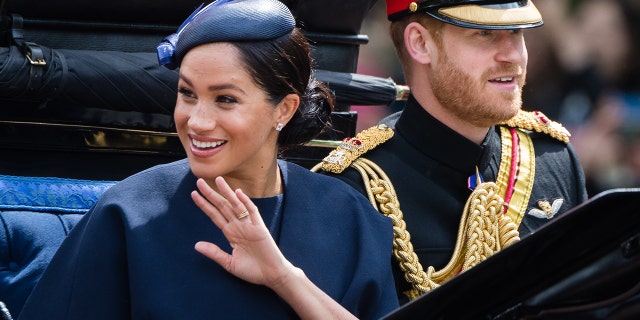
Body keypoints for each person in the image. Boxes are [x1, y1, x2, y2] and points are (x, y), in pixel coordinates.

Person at [17, 0, 399, 319]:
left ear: (283, 109)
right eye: (187, 94)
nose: (196, 121)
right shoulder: (129, 213)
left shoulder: (349, 218)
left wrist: (283, 277)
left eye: (226, 99)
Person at [312, 0, 589, 305]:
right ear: (420, 43)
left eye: (516, 31)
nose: (512, 55)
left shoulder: (551, 158)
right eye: (484, 34)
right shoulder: (356, 190)